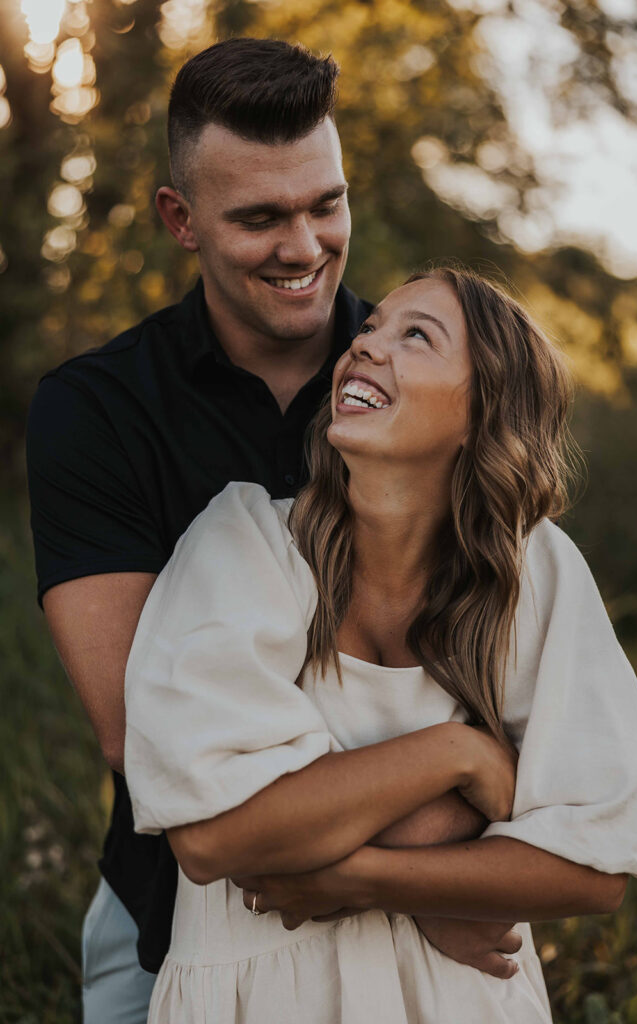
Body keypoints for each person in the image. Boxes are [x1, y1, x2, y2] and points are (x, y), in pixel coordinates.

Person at [124, 267, 637, 1023]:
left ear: (481, 410)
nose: (363, 348)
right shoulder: (244, 540)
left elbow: (592, 870)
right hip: (255, 995)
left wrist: (362, 879)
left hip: (468, 994)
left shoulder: (534, 569)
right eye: (368, 328)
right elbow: (216, 836)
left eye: (414, 335)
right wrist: (460, 758)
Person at [26, 37, 371, 1024]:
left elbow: (494, 693)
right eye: (259, 217)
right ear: (179, 219)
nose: (303, 246)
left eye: (325, 204)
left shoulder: (433, 386)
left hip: (422, 915)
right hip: (172, 919)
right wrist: (436, 793)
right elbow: (152, 745)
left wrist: (397, 881)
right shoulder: (95, 411)